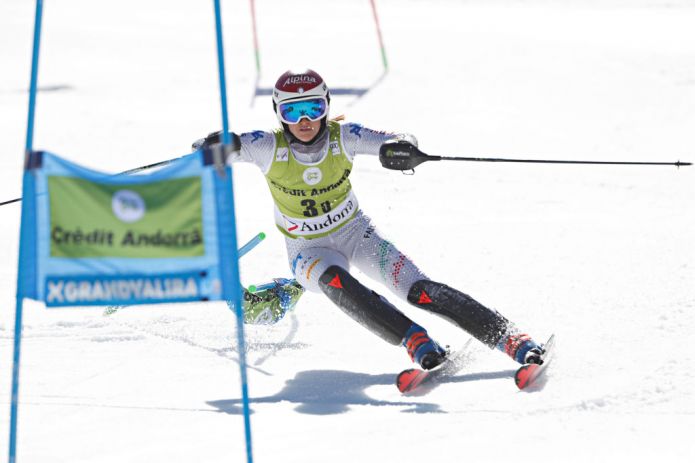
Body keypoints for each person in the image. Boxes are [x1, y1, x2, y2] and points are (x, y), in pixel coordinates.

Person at [194, 69, 545, 370]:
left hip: (356, 235)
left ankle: (511, 338)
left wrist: (401, 149)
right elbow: (234, 144)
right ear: (278, 113)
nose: (304, 120)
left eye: (313, 108)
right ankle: (415, 340)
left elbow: (393, 139)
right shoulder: (268, 146)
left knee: (419, 290)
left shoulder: (343, 137)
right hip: (308, 251)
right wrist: (213, 146)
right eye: (293, 110)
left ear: (327, 106)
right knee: (334, 280)